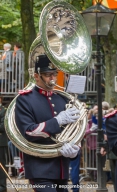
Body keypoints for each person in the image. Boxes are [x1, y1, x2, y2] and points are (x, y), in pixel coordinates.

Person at [14, 54, 80, 192]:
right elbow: (29, 131)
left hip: (61, 168)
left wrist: (74, 149)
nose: (53, 79)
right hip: (40, 168)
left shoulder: (62, 99)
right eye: (48, 74)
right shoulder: (25, 99)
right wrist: (58, 121)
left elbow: (75, 129)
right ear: (37, 76)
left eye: (54, 74)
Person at [0, 96, 7, 192]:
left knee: (1, 167)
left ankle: (2, 186)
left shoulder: (4, 111)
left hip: (0, 142)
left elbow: (2, 126)